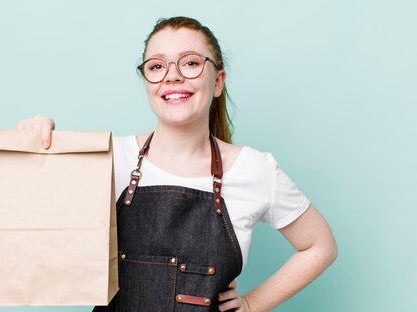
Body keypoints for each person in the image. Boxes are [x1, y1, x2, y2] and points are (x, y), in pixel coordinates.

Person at [17, 16, 337, 312]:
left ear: (218, 82)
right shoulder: (109, 157)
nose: (172, 75)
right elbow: (37, 222)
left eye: (191, 63)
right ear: (147, 81)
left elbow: (320, 246)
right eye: (157, 66)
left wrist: (253, 304)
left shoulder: (255, 170)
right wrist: (37, 143)